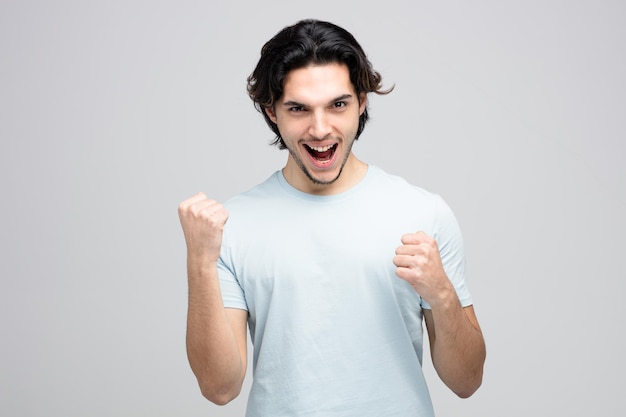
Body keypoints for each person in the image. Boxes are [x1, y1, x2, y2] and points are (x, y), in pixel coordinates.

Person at [178, 19, 486, 416]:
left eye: (337, 105)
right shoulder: (230, 225)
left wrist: (442, 293)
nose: (320, 129)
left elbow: (467, 382)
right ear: (272, 112)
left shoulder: (423, 212)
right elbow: (219, 388)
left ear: (362, 102)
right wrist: (199, 264)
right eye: (298, 109)